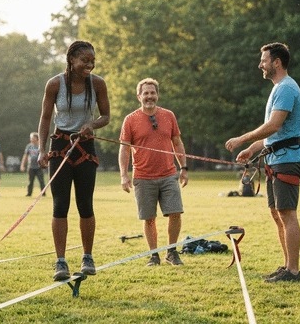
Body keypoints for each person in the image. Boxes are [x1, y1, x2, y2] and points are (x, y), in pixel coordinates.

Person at [225, 42, 300, 283]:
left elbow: (274, 126)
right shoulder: (278, 88)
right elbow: (274, 135)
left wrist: (242, 139)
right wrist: (251, 149)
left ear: (276, 62)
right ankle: (287, 266)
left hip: (287, 160)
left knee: (287, 214)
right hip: (276, 159)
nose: (260, 64)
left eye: (264, 60)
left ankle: (293, 271)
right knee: (277, 213)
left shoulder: (286, 88)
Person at [38, 40, 110, 281]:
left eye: (92, 61)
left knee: (85, 203)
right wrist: (41, 149)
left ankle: (87, 257)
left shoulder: (98, 83)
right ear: (71, 60)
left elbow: (106, 115)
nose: (89, 65)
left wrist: (92, 124)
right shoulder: (54, 84)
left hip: (85, 145)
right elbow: (45, 119)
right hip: (59, 145)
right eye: (84, 60)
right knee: (60, 204)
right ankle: (60, 262)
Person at [119, 78, 189, 266]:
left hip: (168, 175)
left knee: (175, 213)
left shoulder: (168, 116)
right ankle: (154, 255)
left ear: (157, 95)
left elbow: (177, 143)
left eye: (152, 93)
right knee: (149, 218)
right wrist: (124, 175)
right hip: (143, 177)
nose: (149, 96)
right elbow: (124, 149)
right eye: (146, 93)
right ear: (139, 96)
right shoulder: (130, 119)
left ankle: (172, 252)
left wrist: (183, 168)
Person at [20, 132, 46, 197]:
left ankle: (43, 193)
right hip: (31, 167)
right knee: (30, 181)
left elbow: (44, 155)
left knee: (41, 181)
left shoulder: (40, 146)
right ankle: (29, 193)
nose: (31, 139)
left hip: (39, 167)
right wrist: (22, 165)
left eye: (33, 138)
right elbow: (25, 156)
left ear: (37, 139)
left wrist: (44, 164)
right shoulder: (29, 146)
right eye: (31, 138)